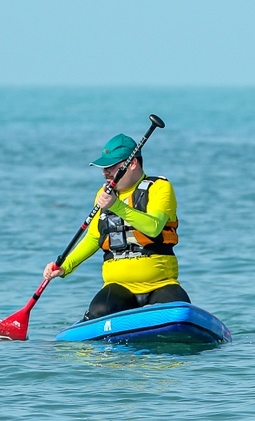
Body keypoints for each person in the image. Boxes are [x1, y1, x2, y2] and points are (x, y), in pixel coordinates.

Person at [44, 133, 189, 319]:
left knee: (178, 313)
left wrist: (115, 206)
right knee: (98, 311)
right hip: (118, 288)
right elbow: (94, 237)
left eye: (111, 166)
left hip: (161, 285)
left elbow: (154, 227)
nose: (105, 172)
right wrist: (64, 267)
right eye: (103, 167)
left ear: (133, 163)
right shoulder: (103, 194)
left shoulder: (159, 188)